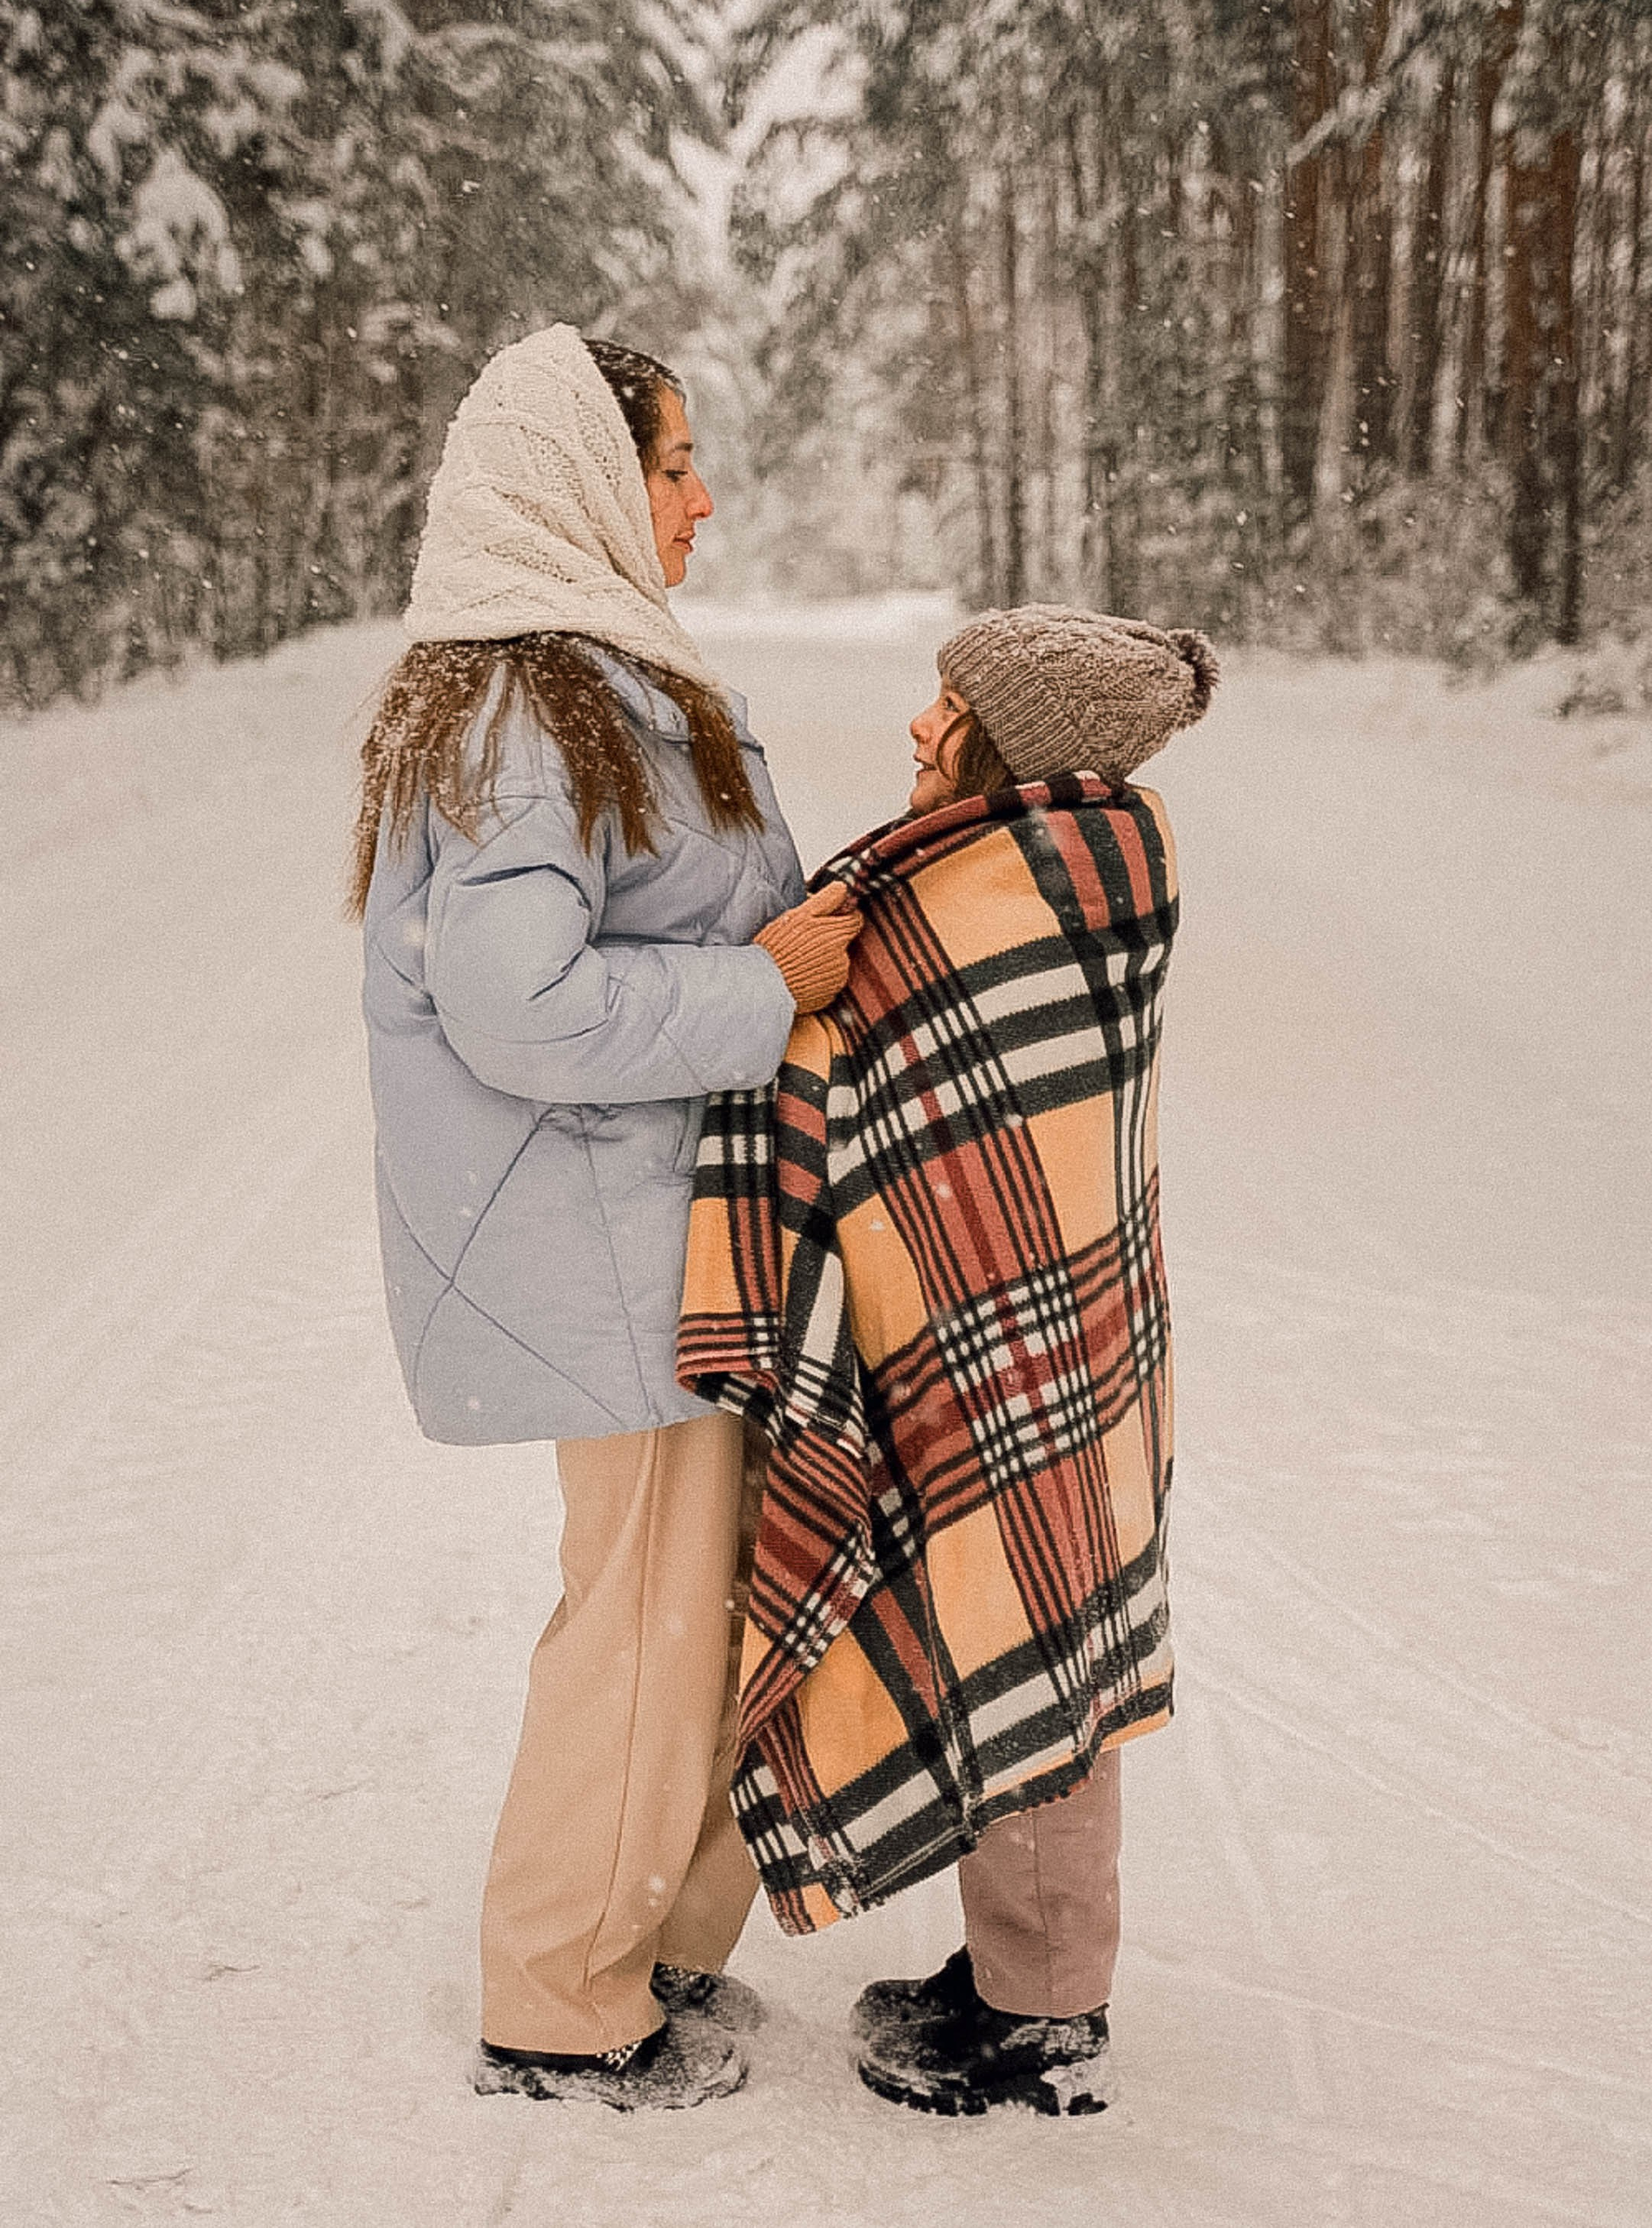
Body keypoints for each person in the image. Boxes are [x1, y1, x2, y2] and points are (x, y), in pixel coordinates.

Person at [350, 324, 861, 2110]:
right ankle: (559, 1998)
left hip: (663, 1230)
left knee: (698, 1607)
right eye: (668, 466)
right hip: (600, 1239)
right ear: (579, 480)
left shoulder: (588, 677)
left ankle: (643, 1941)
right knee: (643, 1616)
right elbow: (518, 1006)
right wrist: (759, 989)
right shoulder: (521, 702)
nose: (700, 497)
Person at [678, 604, 1215, 2117]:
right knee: (1032, 1612)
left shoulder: (989, 893)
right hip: (1062, 1325)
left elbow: (855, 1068)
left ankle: (1041, 2014)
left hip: (1008, 1325)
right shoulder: (1095, 857)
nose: (922, 729)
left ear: (1014, 748)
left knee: (1020, 1609)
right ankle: (1025, 1972)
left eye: (950, 710)